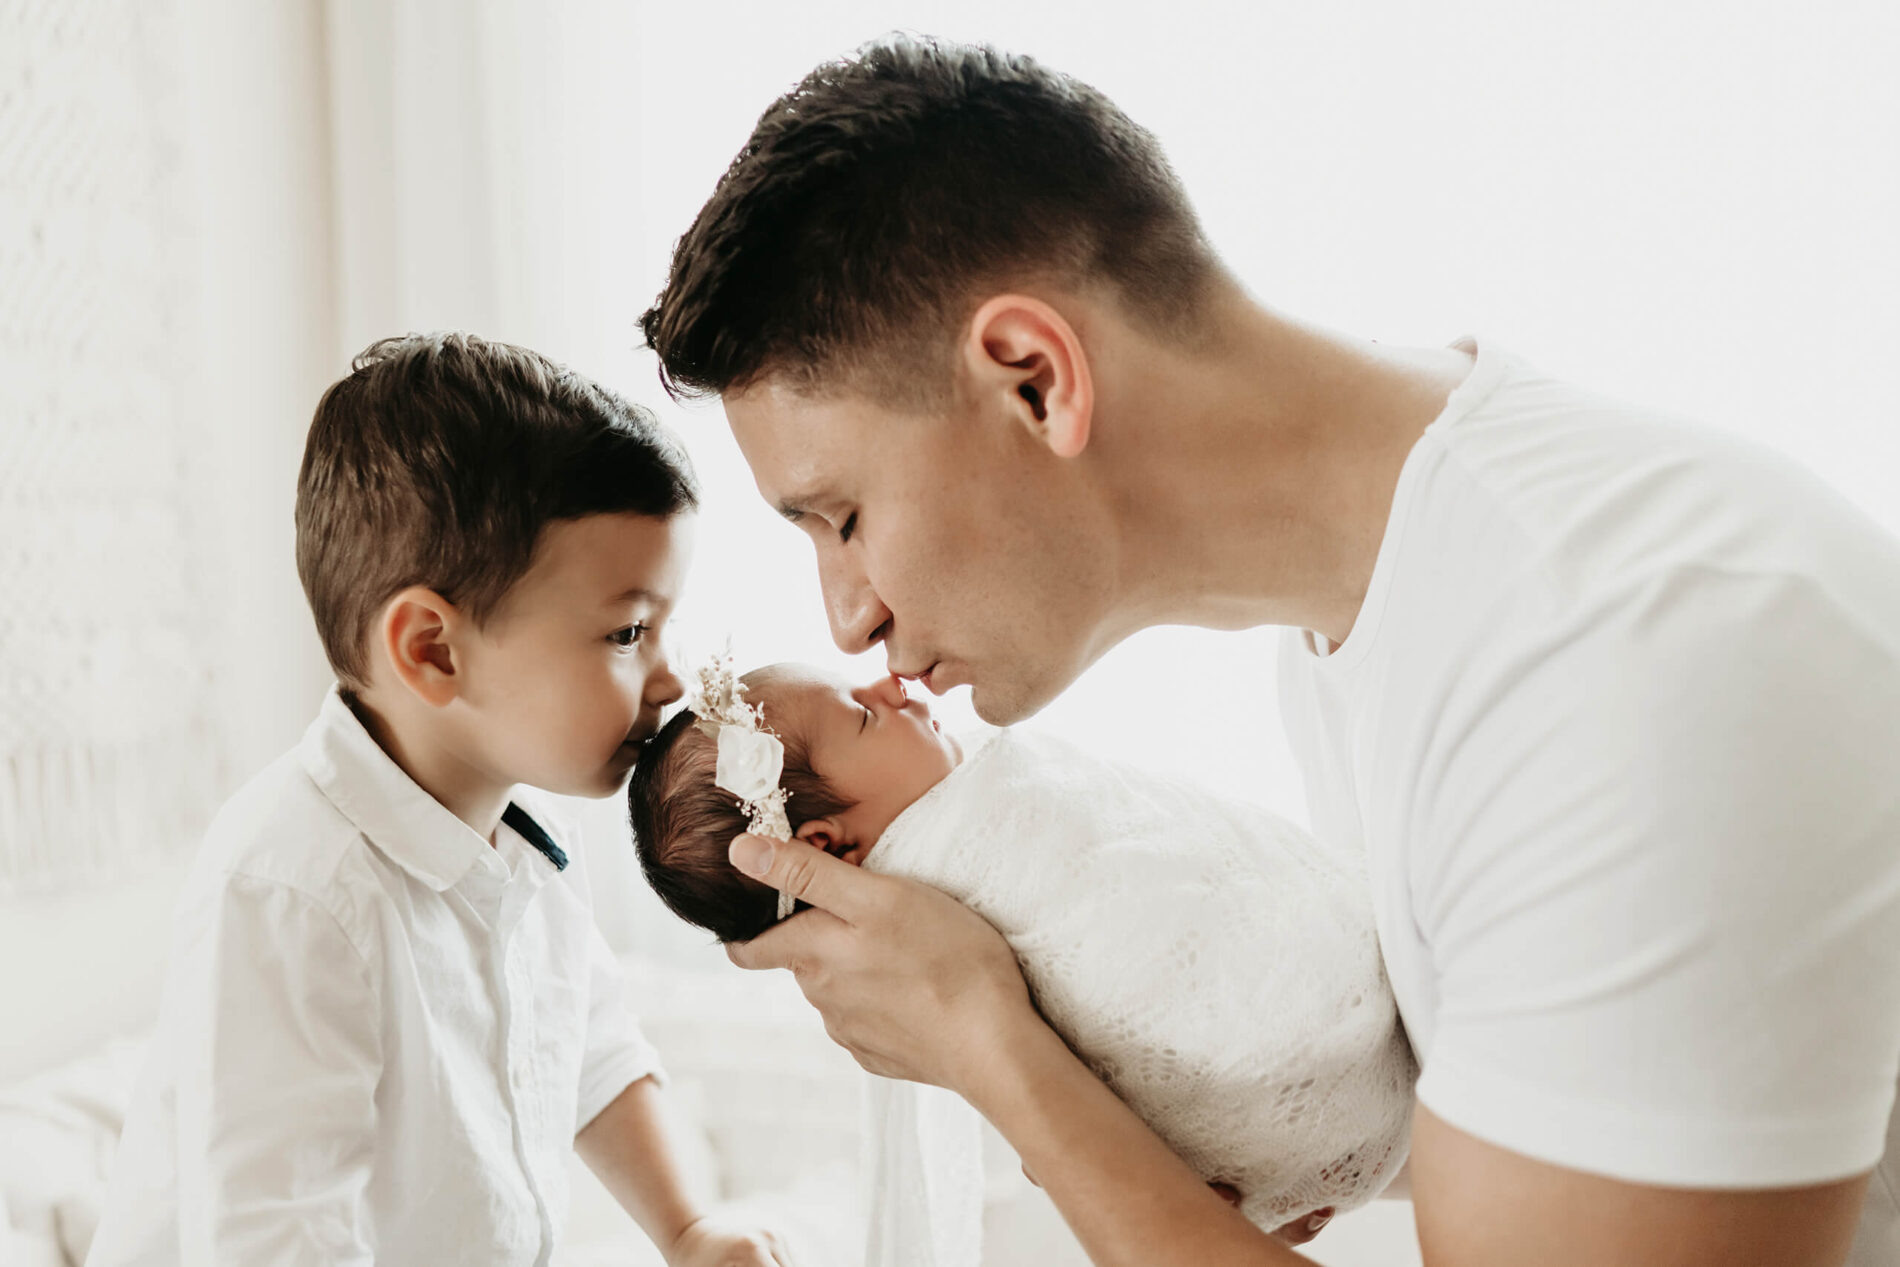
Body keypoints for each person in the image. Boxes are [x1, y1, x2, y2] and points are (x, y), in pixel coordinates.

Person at [635, 34, 1900, 1267]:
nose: (848, 616)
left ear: (1032, 378)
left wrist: (993, 1052)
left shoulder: (1623, 661)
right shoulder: (1363, 633)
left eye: (841, 517)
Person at [87, 334, 789, 1266]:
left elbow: (593, 1050)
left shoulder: (530, 844)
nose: (667, 681)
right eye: (627, 631)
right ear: (433, 650)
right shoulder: (292, 890)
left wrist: (689, 1226)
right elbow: (277, 1232)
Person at [628, 660, 1414, 1243]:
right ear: (828, 846)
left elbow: (1155, 851)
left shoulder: (986, 811)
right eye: (863, 717)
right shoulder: (957, 870)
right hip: (1301, 1045)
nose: (893, 686)